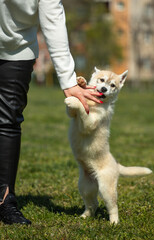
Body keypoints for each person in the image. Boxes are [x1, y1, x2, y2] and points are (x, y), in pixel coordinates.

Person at [0, 0, 102, 225]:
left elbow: (53, 18)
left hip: (17, 50)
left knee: (7, 121)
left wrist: (67, 78)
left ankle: (4, 201)